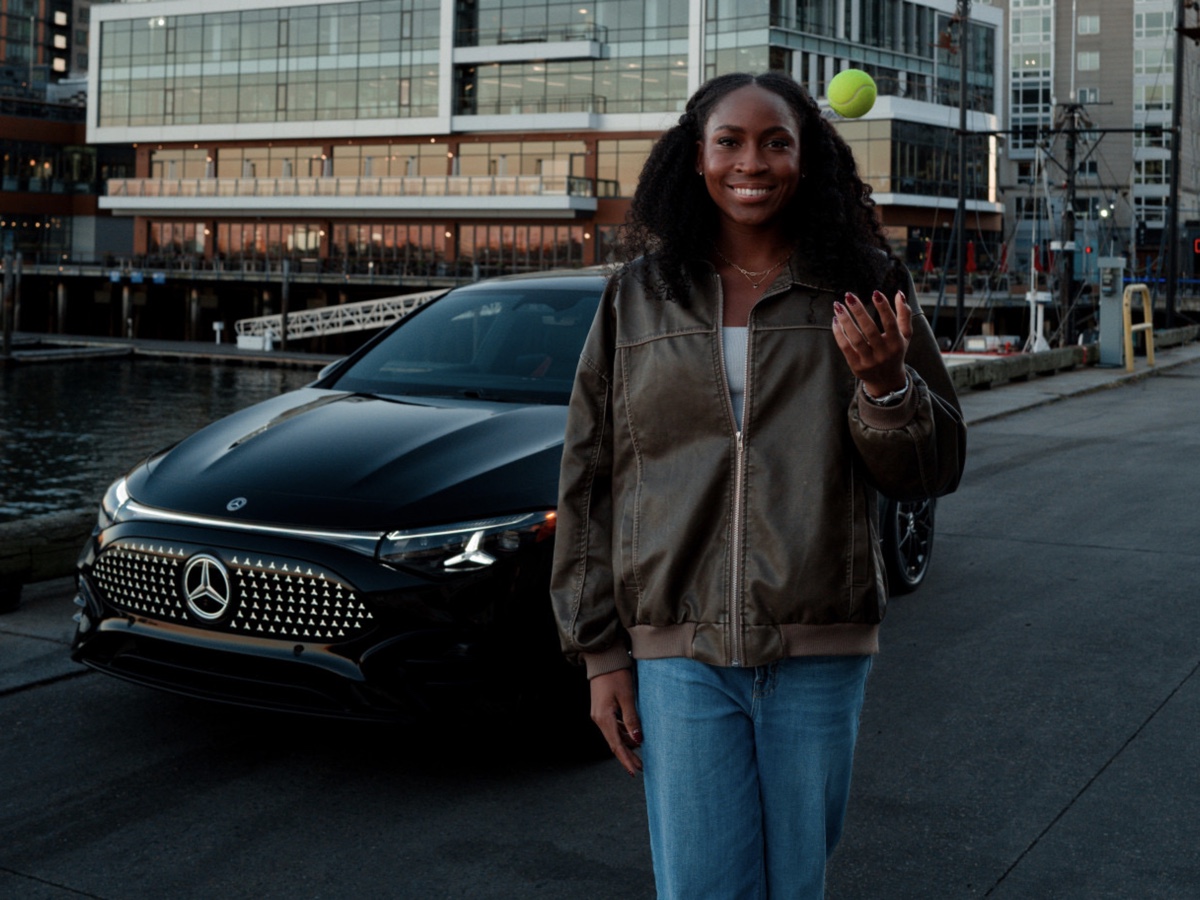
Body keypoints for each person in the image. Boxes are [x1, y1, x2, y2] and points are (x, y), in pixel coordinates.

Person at [550, 72, 966, 899]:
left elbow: (933, 469)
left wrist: (887, 389)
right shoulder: (639, 295)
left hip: (818, 644)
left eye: (777, 141)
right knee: (703, 887)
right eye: (729, 142)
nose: (754, 162)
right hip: (680, 650)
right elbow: (592, 475)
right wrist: (601, 653)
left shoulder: (865, 284)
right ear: (694, 159)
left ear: (808, 159)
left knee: (794, 885)